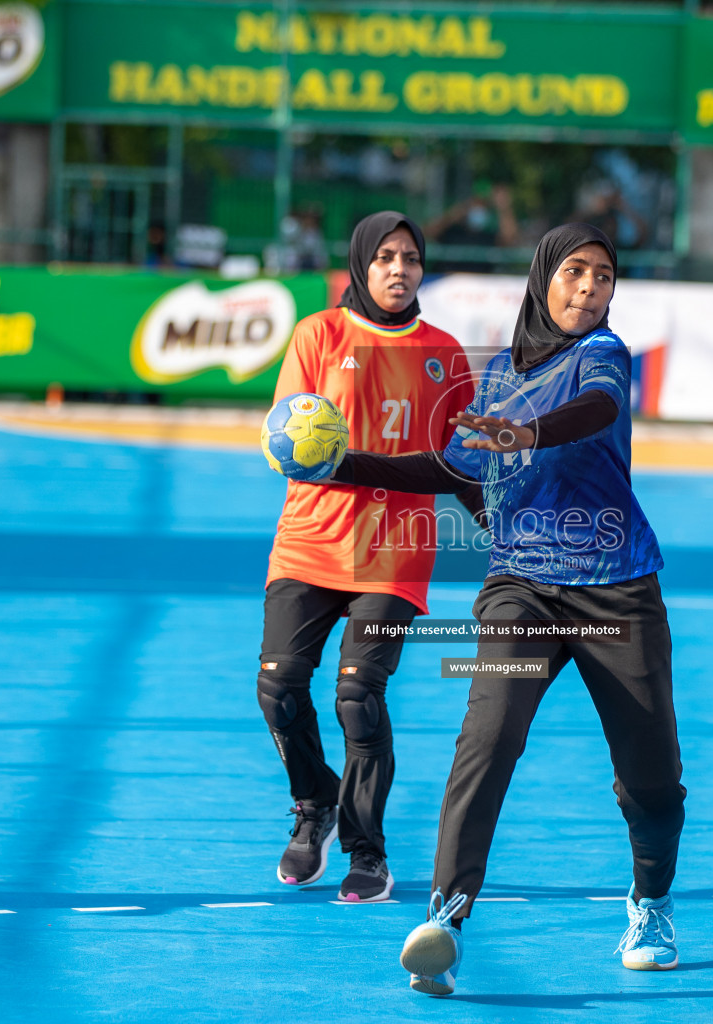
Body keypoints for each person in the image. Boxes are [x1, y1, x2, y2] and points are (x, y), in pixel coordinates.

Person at [327, 223, 686, 995]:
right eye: (574, 273)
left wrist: (526, 433)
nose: (589, 289)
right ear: (542, 277)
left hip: (615, 591)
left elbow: (591, 412)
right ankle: (444, 919)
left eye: (602, 277)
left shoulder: (603, 357)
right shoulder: (494, 378)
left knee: (649, 779)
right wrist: (342, 462)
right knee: (485, 739)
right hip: (519, 588)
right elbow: (449, 468)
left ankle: (650, 902)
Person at [257, 212, 476, 903]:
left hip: (393, 555)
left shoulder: (443, 352)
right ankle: (314, 804)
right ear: (360, 263)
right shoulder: (316, 335)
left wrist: (504, 530)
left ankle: (367, 851)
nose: (398, 269)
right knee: (278, 687)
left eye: (410, 258)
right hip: (308, 542)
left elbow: (463, 464)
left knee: (358, 696)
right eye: (383, 256)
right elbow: (290, 441)